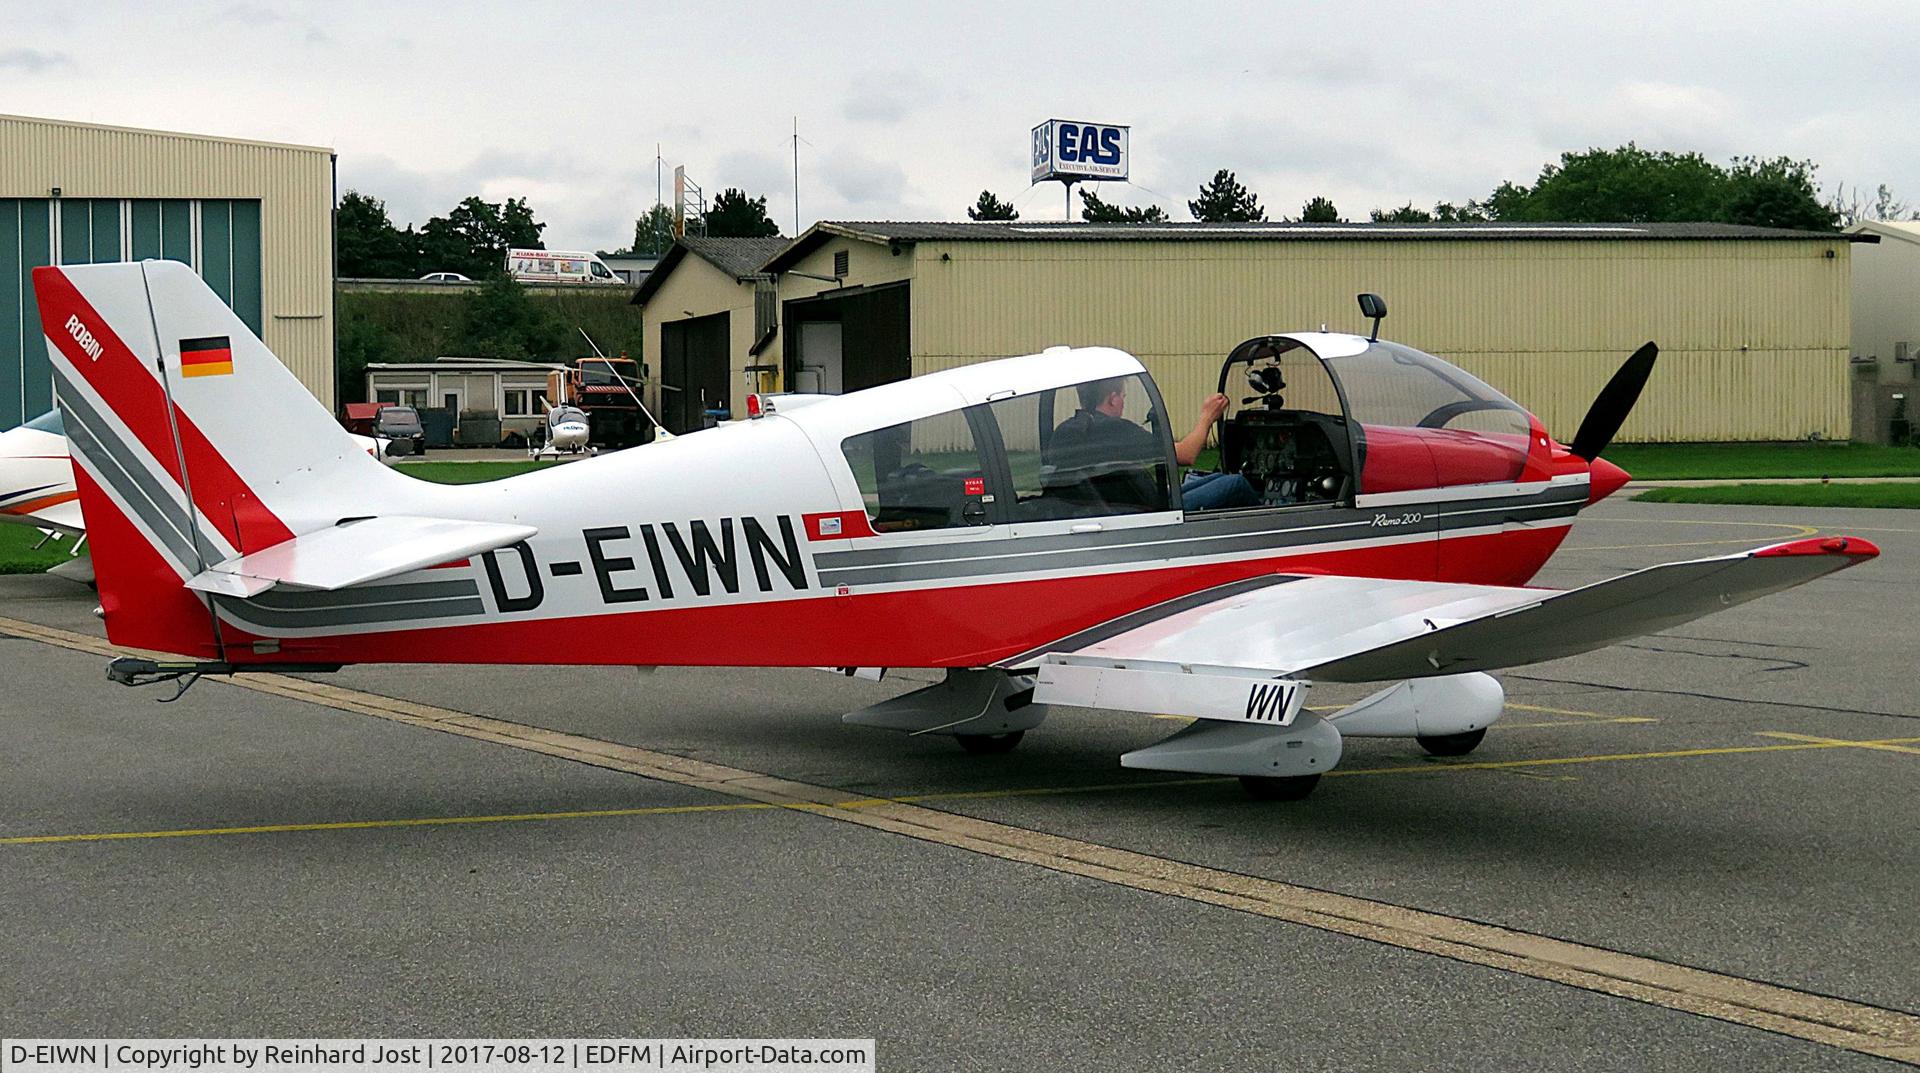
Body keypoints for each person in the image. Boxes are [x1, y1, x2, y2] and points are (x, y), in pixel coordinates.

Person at [1048, 378, 1259, 512]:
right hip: (1149, 511)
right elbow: (1186, 454)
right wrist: (1207, 417)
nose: (1123, 402)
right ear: (1112, 399)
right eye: (1122, 397)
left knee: (1219, 478)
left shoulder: (1067, 430)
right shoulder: (1115, 430)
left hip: (1126, 501)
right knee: (1236, 483)